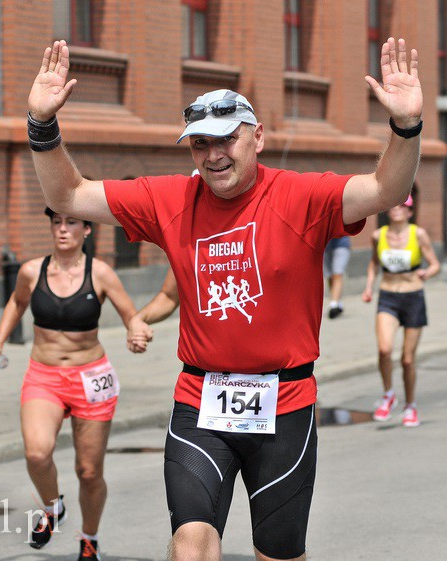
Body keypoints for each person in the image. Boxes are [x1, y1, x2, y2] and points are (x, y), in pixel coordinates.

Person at [26, 36, 422, 561]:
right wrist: (42, 126)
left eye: (225, 140)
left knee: (278, 555)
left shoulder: (300, 196)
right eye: (199, 144)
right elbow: (68, 196)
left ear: (257, 138)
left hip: (284, 405)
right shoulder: (170, 198)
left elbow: (384, 190)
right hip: (202, 399)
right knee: (190, 546)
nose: (213, 156)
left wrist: (406, 127)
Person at [0, 208, 137, 561]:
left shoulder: (100, 273)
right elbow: (17, 303)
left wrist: (137, 332)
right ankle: (53, 510)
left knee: (89, 471)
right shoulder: (31, 271)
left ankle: (89, 539)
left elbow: (131, 315)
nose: (62, 229)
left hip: (91, 377)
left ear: (86, 230)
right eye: (56, 222)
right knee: (37, 453)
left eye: (71, 223)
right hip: (44, 375)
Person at [361, 194, 440, 425]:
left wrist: (428, 272)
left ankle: (410, 405)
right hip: (387, 296)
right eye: (393, 205)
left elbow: (434, 263)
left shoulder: (418, 234)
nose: (397, 209)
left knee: (407, 359)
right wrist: (368, 287)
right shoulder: (378, 235)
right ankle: (388, 395)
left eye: (402, 205)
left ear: (410, 211)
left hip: (413, 296)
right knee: (384, 349)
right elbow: (374, 263)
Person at [323, 236, 352, 318]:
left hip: (341, 245)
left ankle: (334, 304)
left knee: (337, 274)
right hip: (325, 246)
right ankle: (337, 301)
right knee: (329, 275)